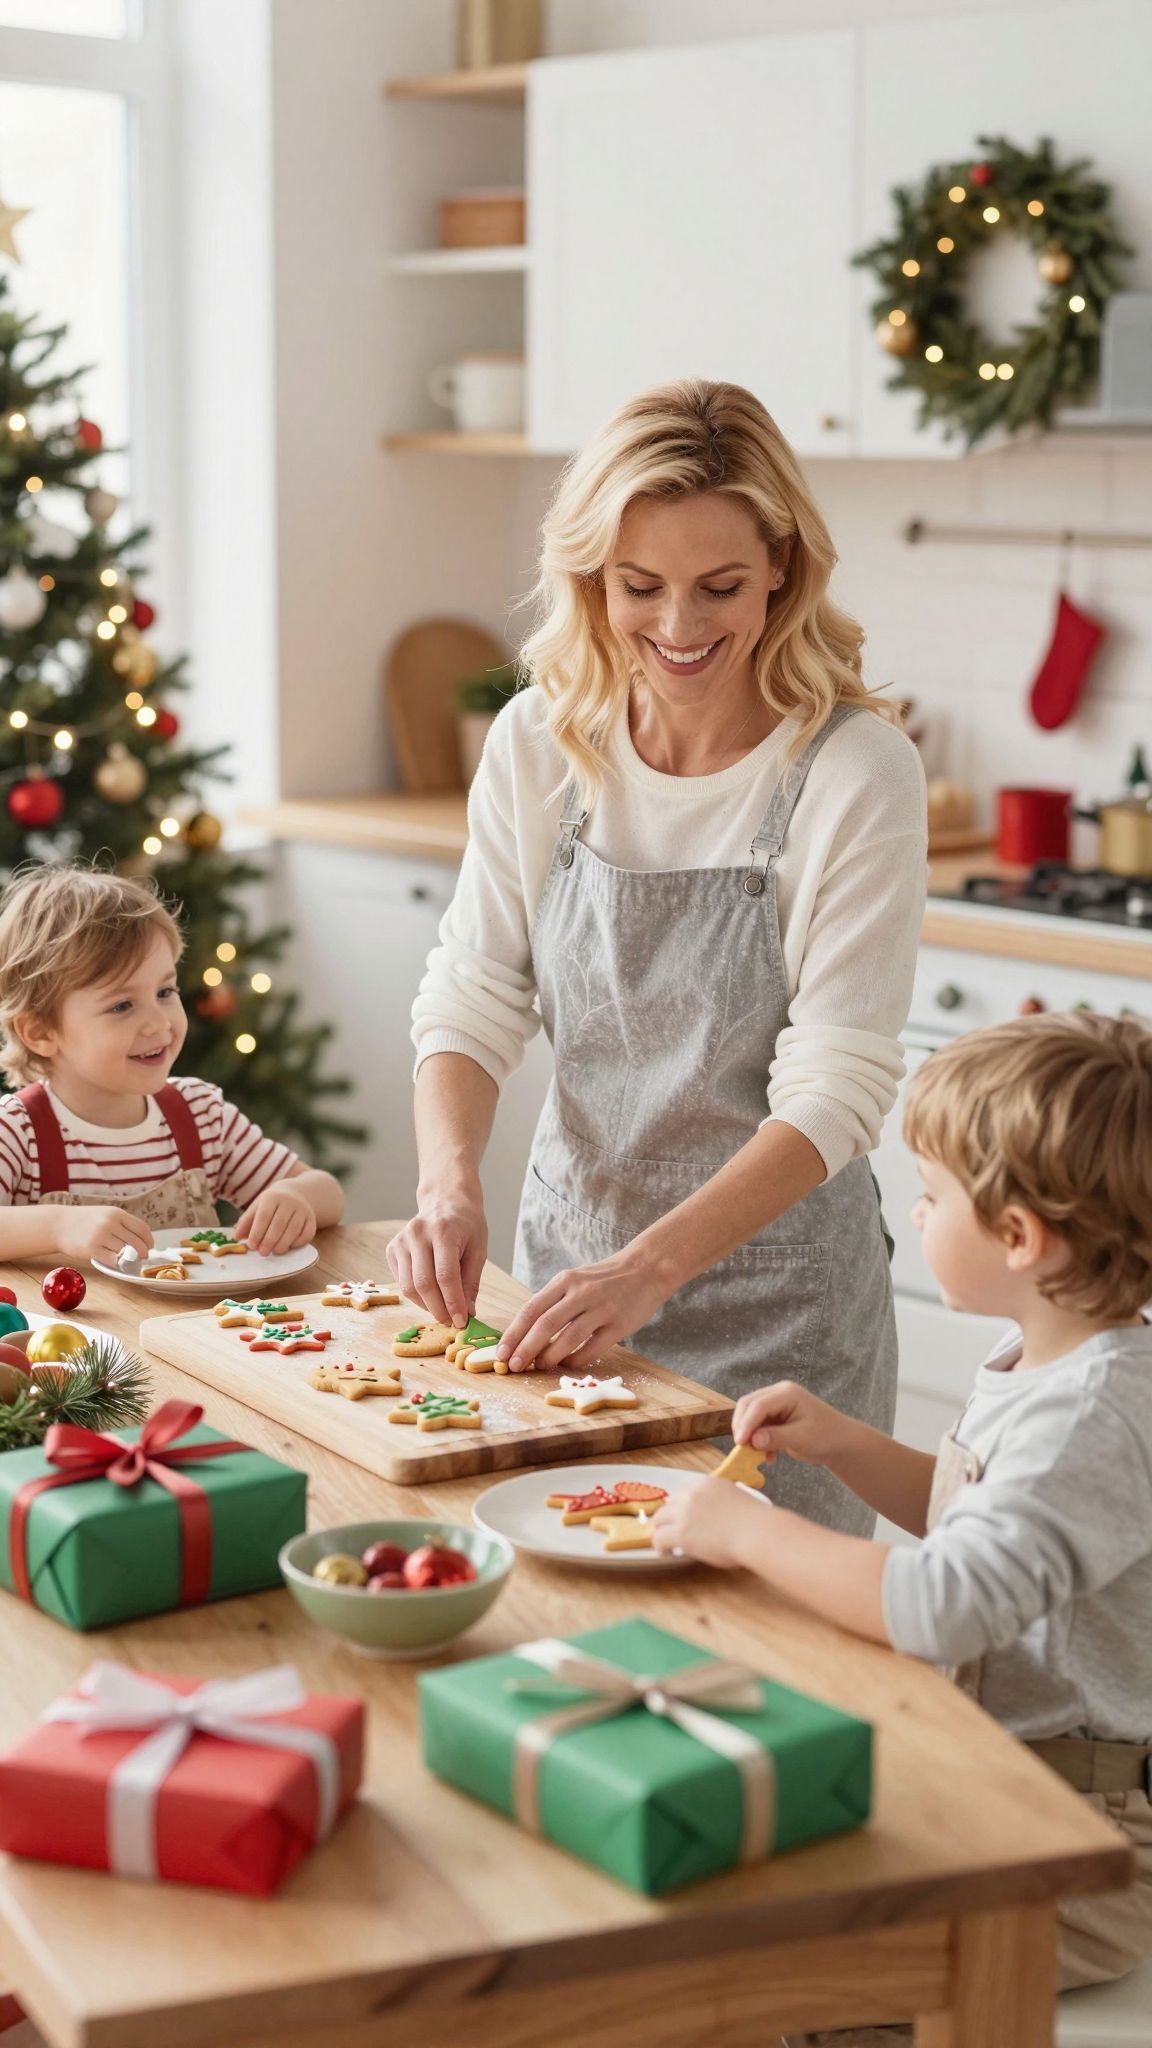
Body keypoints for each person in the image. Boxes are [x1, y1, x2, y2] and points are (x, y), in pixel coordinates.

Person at [393, 377, 926, 1532]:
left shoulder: (853, 770)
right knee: (561, 1624)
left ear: (783, 565)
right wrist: (447, 1181)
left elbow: (834, 1089)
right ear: (592, 577)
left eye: (720, 586)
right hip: (564, 1286)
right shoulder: (542, 740)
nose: (679, 627)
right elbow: (475, 990)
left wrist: (651, 1269)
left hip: (781, 1326)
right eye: (641, 587)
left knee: (773, 1671)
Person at [652, 1012, 1152, 2040]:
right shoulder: (1052, 1362)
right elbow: (976, 1524)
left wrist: (740, 1529)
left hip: (1076, 1842)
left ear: (1021, 1236)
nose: (915, 1213)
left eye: (930, 1197)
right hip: (1001, 1775)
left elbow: (941, 1604)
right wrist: (843, 1442)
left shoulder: (1092, 1415)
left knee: (787, 1970)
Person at [0, 864, 344, 1263]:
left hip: (195, 1326)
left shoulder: (200, 1115)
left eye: (165, 991)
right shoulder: (18, 1133)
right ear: (40, 1032)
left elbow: (327, 1192)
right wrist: (57, 1227)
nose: (159, 1022)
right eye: (122, 1005)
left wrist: (294, 1196)